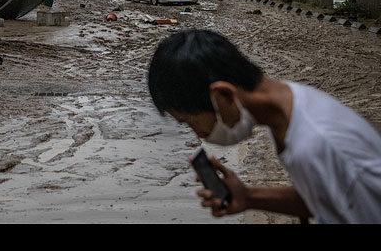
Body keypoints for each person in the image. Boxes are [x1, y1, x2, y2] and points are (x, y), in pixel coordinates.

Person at [147, 29, 381, 224]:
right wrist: (248, 196)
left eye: (191, 122)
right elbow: (329, 200)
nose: (199, 135)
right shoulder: (292, 104)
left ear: (223, 95)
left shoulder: (319, 145)